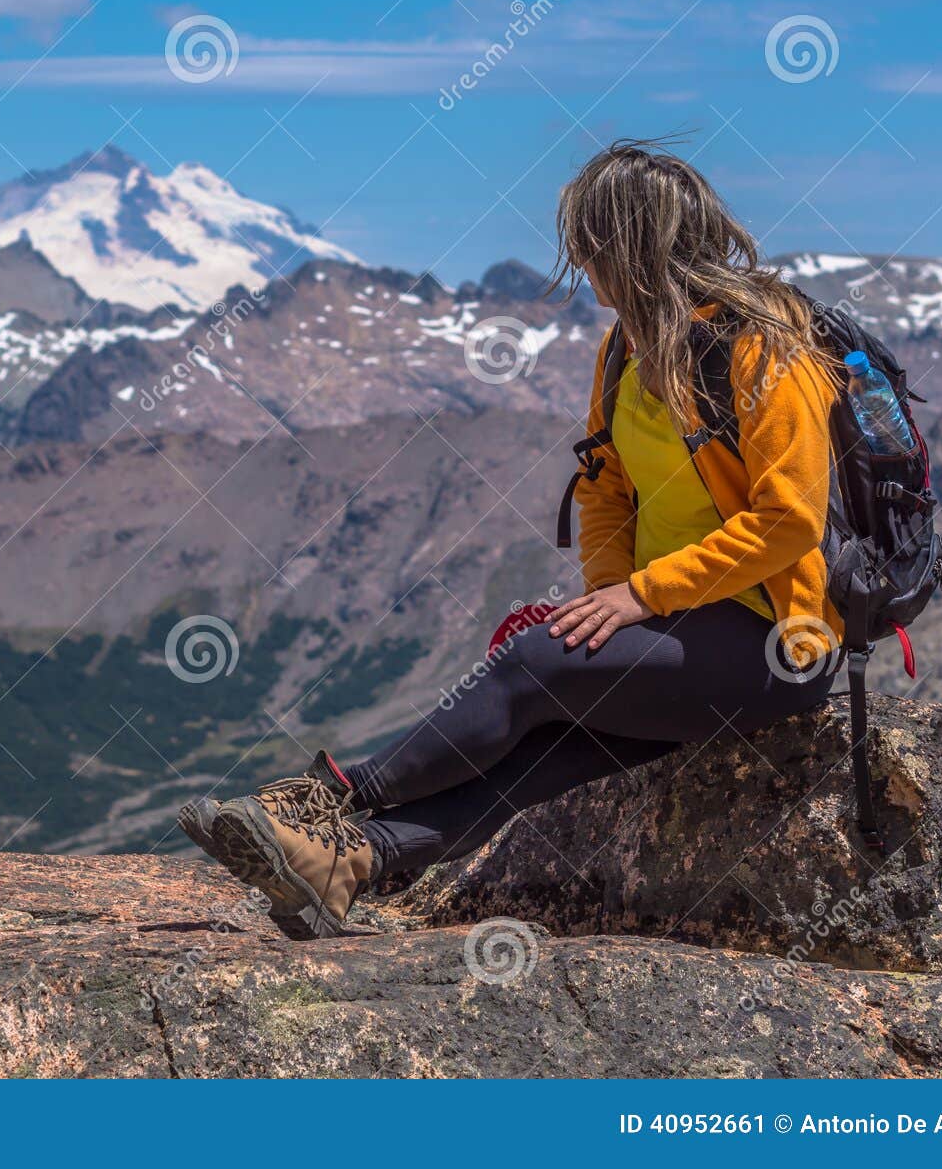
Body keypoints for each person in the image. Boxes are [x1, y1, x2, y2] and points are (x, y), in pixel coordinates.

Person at [180, 140, 842, 940]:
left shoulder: (763, 349)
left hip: (776, 643)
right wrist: (609, 599)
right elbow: (603, 485)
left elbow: (790, 519)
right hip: (675, 627)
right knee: (549, 737)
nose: (577, 261)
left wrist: (638, 596)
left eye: (587, 243)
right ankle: (349, 863)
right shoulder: (626, 349)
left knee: (532, 667)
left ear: (624, 245)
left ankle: (330, 801)